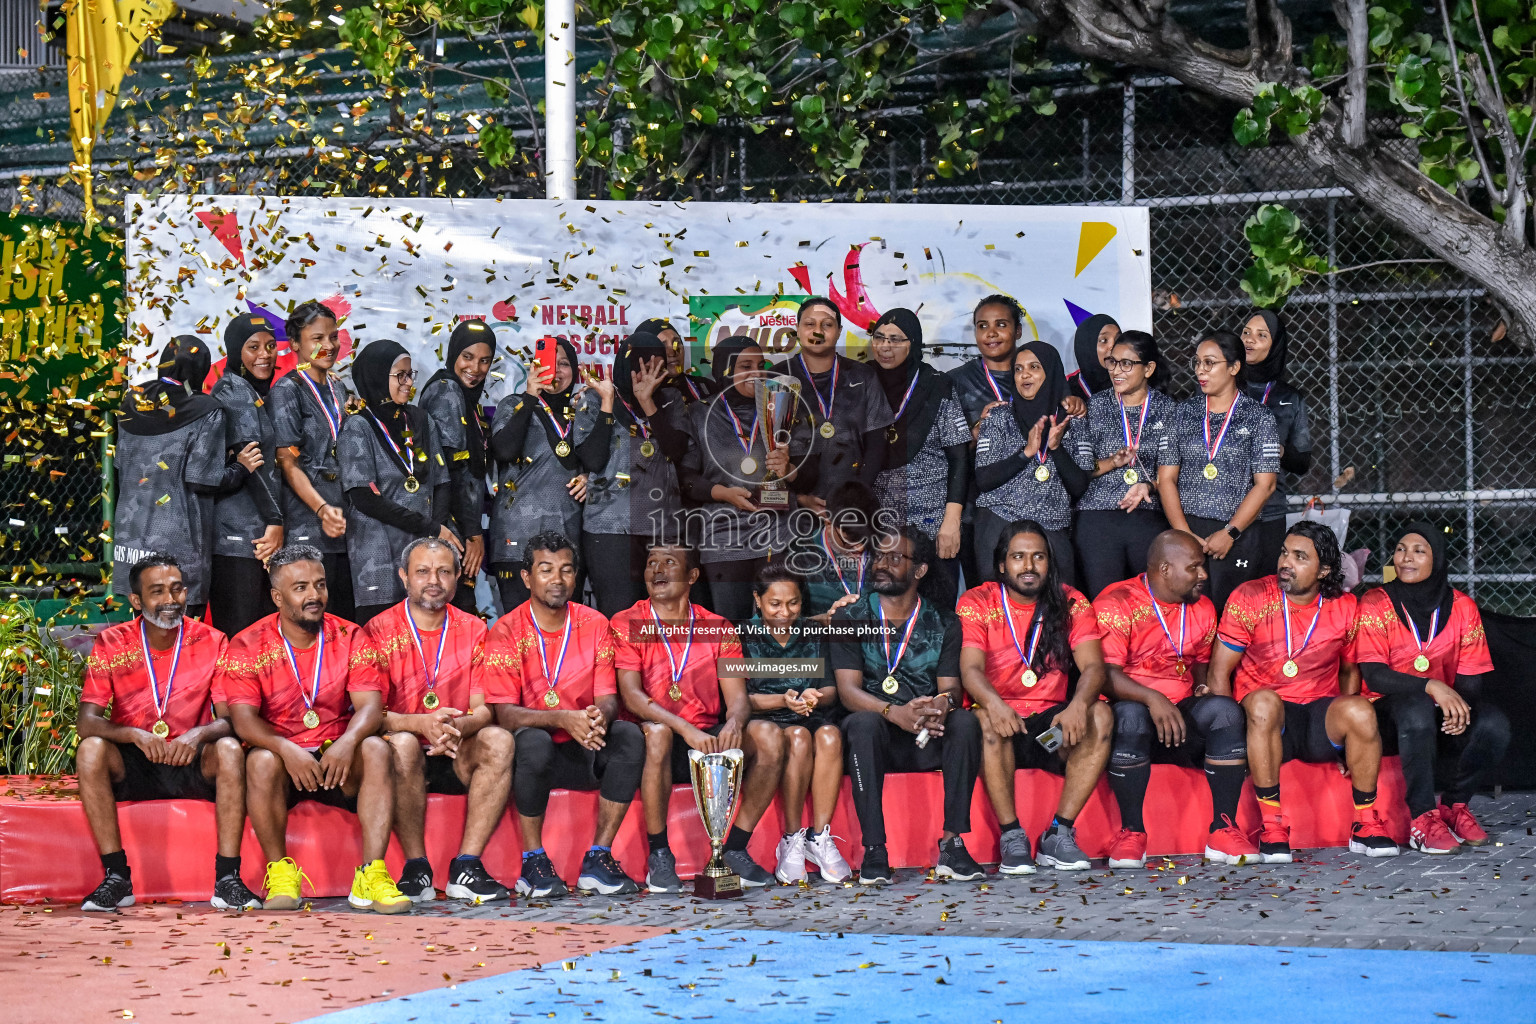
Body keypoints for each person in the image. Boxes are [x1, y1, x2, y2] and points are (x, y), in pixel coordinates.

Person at [222, 545, 410, 913]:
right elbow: (243, 721)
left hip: (338, 760)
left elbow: (371, 708)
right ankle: (281, 875)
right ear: (277, 597)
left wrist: (347, 742)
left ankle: (372, 874)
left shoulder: (351, 636)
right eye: (301, 588)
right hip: (284, 763)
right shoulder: (247, 643)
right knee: (260, 761)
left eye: (320, 585)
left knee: (375, 748)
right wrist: (286, 749)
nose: (314, 596)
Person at [75, 554, 262, 912]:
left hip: (188, 758)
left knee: (228, 748)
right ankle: (117, 878)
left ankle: (227, 879)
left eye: (176, 589)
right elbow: (87, 722)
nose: (169, 600)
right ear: (136, 600)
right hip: (135, 760)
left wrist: (196, 736)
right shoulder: (112, 643)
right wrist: (135, 735)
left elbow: (230, 720)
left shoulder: (213, 640)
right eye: (157, 591)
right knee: (91, 749)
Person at [1206, 520, 1400, 862]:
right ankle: (1272, 826)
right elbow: (1219, 671)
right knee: (1265, 701)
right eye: (1284, 553)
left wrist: (1350, 742)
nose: (1285, 563)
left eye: (1299, 557)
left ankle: (1365, 823)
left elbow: (1350, 671)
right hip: (1266, 719)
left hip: (1317, 716)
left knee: (1360, 710)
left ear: (1324, 569)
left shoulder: (1344, 607)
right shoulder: (1250, 596)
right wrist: (1234, 737)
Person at [482, 531, 644, 897]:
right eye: (546, 570)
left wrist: (593, 717)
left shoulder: (595, 623)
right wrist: (563, 718)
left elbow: (608, 698)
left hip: (584, 743)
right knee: (534, 742)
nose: (557, 580)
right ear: (526, 577)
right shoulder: (505, 630)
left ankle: (598, 858)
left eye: (567, 570)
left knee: (629, 736)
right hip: (533, 755)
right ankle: (533, 860)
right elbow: (505, 714)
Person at [613, 543, 782, 892]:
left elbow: (737, 698)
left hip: (706, 738)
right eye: (651, 563)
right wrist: (685, 729)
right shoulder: (627, 621)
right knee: (658, 733)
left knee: (769, 736)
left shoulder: (717, 626)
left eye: (669, 563)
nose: (657, 571)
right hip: (654, 740)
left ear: (692, 576)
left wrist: (735, 722)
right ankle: (660, 854)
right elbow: (632, 696)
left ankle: (733, 848)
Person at [957, 520, 1112, 875]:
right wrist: (995, 705)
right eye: (1019, 557)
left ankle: (1059, 833)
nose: (1029, 567)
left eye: (1038, 557)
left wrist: (1077, 706)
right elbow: (971, 670)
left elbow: (1093, 669)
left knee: (1100, 715)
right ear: (1001, 564)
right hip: (1002, 725)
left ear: (1049, 562)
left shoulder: (1071, 601)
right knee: (982, 718)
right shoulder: (977, 601)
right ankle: (1012, 837)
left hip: (1049, 733)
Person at [1095, 531, 1256, 867]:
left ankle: (1223, 829)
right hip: (1130, 717)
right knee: (1131, 715)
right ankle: (1131, 833)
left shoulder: (1202, 606)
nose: (1204, 575)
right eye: (1195, 567)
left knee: (1224, 711)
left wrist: (1200, 686)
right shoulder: (1117, 602)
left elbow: (1198, 659)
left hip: (1179, 717)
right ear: (1165, 569)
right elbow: (1106, 676)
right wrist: (1153, 699)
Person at [366, 537, 514, 902]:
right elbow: (372, 715)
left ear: (457, 576)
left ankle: (466, 865)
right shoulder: (377, 630)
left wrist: (455, 727)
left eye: (444, 571)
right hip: (404, 751)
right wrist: (421, 725)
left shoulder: (476, 629)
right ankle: (416, 867)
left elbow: (483, 709)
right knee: (400, 743)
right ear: (404, 577)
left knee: (500, 740)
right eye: (423, 571)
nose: (434, 579)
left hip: (457, 746)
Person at [835, 526, 984, 885]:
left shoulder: (944, 622)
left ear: (920, 570)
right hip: (875, 738)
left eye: (895, 558)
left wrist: (939, 705)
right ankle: (875, 850)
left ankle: (952, 844)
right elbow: (847, 691)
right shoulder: (850, 617)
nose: (882, 565)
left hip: (922, 737)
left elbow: (952, 689)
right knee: (863, 723)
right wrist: (894, 713)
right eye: (879, 556)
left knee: (964, 722)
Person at [1355, 523, 1508, 854]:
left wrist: (1459, 710)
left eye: (1419, 551)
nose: (1406, 557)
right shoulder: (1375, 602)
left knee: (1494, 725)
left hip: (1437, 707)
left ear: (1437, 559)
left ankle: (1454, 807)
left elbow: (1470, 678)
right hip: (1387, 711)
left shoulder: (1463, 606)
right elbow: (1375, 674)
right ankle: (1422, 819)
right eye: (1400, 549)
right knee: (1415, 709)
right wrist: (1432, 687)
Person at [948, 295, 1083, 591]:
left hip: (1051, 513)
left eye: (1001, 324)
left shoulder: (1061, 396)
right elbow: (951, 453)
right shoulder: (956, 382)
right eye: (982, 325)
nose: (992, 333)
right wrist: (974, 433)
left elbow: (1080, 477)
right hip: (985, 508)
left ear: (1018, 331)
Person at [679, 338, 808, 622]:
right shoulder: (700, 413)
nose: (757, 373)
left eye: (761, 366)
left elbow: (812, 474)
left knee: (781, 623)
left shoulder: (782, 406)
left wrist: (790, 467)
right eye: (745, 366)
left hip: (777, 531)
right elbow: (686, 479)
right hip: (724, 536)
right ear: (725, 370)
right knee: (731, 626)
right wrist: (723, 493)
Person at [738, 563, 851, 884]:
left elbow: (830, 688)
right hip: (766, 723)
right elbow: (741, 699)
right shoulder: (743, 636)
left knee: (830, 735)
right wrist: (782, 700)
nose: (785, 612)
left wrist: (816, 696)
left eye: (793, 603)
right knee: (799, 738)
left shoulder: (812, 633)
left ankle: (818, 837)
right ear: (758, 600)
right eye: (775, 604)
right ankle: (791, 838)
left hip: (808, 714)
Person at [1156, 331, 1280, 613]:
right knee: (1188, 615)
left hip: (1237, 533)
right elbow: (1166, 479)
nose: (1200, 369)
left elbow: (1266, 485)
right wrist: (1183, 534)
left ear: (1234, 367)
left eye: (1210, 362)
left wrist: (1230, 532)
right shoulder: (1180, 413)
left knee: (1233, 616)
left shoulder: (1259, 417)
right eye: (1197, 362)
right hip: (1188, 528)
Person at [112, 335, 234, 621]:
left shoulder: (132, 401)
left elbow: (120, 463)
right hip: (179, 542)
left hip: (131, 539)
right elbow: (201, 479)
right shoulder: (206, 410)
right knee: (184, 634)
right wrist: (240, 467)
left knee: (142, 629)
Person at [338, 340, 456, 625]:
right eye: (399, 376)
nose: (407, 383)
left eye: (409, 374)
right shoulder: (358, 425)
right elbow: (363, 497)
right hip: (376, 549)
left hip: (420, 547)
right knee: (379, 637)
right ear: (377, 377)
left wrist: (434, 535)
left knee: (421, 632)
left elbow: (441, 481)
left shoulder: (420, 420)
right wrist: (431, 527)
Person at [867, 308, 971, 607]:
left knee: (936, 611)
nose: (886, 346)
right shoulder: (861, 382)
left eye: (896, 340)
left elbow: (959, 459)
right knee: (882, 611)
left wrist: (951, 522)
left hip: (932, 523)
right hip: (878, 524)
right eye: (880, 338)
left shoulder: (937, 386)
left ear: (914, 343)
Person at [487, 338, 600, 611]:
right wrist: (529, 397)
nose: (557, 371)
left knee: (562, 632)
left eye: (564, 364)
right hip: (516, 541)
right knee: (516, 630)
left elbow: (598, 459)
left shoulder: (583, 411)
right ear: (536, 366)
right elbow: (503, 451)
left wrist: (588, 478)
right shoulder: (512, 404)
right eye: (551, 363)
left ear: (575, 371)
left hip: (567, 543)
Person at [581, 332, 687, 617]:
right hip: (610, 527)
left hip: (662, 525)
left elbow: (676, 451)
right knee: (619, 616)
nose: (647, 374)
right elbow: (592, 458)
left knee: (664, 616)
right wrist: (606, 405)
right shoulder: (595, 398)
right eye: (640, 366)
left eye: (656, 366)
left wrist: (648, 402)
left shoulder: (671, 399)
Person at [1072, 330, 1179, 599]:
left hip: (1148, 514)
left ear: (1149, 368)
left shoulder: (1170, 410)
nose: (1117, 371)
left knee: (1149, 603)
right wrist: (1112, 462)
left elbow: (1180, 471)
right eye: (1112, 362)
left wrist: (1151, 486)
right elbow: (1081, 470)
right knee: (1105, 603)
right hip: (1097, 516)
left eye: (1127, 364)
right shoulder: (1093, 406)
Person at [973, 342, 1088, 588]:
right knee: (997, 606)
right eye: (1018, 369)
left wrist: (1056, 449)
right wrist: (1026, 453)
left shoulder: (1073, 419)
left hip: (1052, 523)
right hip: (1000, 519)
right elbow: (984, 479)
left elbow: (1079, 486)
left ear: (1051, 372)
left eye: (1034, 367)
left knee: (1061, 601)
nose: (1024, 374)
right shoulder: (998, 416)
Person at [271, 301, 355, 621]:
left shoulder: (338, 386)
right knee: (311, 618)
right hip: (308, 519)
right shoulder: (287, 390)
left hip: (342, 520)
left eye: (333, 337)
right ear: (295, 343)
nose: (329, 346)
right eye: (317, 338)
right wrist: (321, 508)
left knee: (343, 620)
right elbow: (287, 462)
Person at [774, 296, 893, 507]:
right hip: (796, 504)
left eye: (827, 325)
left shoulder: (863, 376)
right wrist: (798, 500)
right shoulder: (778, 379)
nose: (818, 331)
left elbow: (876, 445)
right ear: (798, 330)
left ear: (838, 331)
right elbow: (766, 449)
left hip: (852, 501)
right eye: (810, 324)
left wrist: (856, 496)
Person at [209, 314, 286, 637]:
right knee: (243, 638)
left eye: (270, 346)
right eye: (253, 347)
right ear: (235, 351)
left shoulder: (256, 392)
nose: (265, 355)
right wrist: (276, 521)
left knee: (264, 639)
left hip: (254, 537)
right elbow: (251, 463)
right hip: (241, 539)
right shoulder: (234, 389)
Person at [418, 319, 497, 614]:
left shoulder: (463, 398)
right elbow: (452, 473)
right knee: (458, 614)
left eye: (484, 361)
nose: (475, 369)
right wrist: (473, 534)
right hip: (451, 530)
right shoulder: (447, 393)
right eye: (467, 357)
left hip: (454, 527)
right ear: (453, 355)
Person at [1240, 310, 1314, 564]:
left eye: (1261, 336)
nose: (1249, 340)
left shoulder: (1289, 397)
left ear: (1275, 346)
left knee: (1265, 587)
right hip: (1221, 507)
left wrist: (1279, 451)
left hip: (1268, 511)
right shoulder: (1220, 386)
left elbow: (1302, 462)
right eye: (1246, 333)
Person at [778, 479, 876, 622]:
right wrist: (823, 620)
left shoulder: (884, 551)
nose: (860, 548)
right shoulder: (797, 557)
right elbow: (780, 626)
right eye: (850, 541)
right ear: (828, 523)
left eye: (865, 539)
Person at [636, 315, 714, 402]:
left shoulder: (707, 387)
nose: (672, 352)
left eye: (677, 343)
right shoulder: (639, 398)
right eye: (662, 346)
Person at [1069, 313, 1120, 402]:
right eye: (1104, 340)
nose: (1113, 346)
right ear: (1087, 346)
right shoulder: (1068, 393)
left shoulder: (1132, 384)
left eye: (1118, 339)